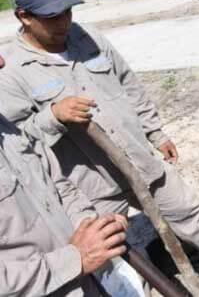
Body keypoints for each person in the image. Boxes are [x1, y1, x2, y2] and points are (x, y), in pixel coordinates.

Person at [0, 0, 199, 285]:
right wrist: (53, 117)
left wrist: (156, 132)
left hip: (138, 160)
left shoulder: (87, 37)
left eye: (67, 12)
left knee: (191, 211)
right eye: (52, 17)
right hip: (91, 184)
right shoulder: (11, 71)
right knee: (113, 257)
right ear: (24, 17)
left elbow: (128, 84)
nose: (64, 22)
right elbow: (18, 144)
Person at [0, 110, 136, 297]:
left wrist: (92, 227)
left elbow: (58, 185)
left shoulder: (7, 129)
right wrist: (74, 259)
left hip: (85, 281)